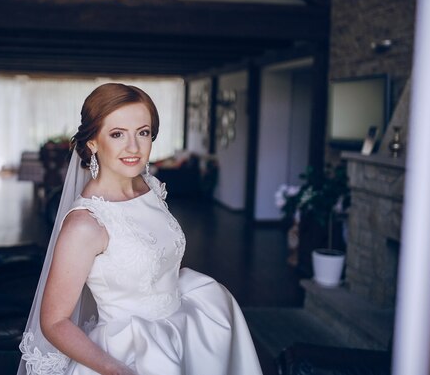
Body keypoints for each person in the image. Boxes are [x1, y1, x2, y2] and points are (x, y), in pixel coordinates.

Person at [18, 83, 263, 375]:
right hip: (129, 355)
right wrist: (117, 370)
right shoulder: (86, 224)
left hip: (183, 329)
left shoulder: (150, 188)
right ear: (93, 142)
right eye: (118, 134)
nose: (133, 147)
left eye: (143, 132)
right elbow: (54, 322)